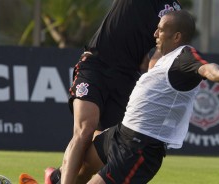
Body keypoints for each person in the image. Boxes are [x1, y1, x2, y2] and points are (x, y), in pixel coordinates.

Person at [80, 10, 219, 184]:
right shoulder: (165, 58)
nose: (155, 33)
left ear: (176, 36)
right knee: (79, 167)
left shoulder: (185, 56)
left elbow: (206, 68)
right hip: (121, 133)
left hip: (140, 148)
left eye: (161, 30)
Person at [45, 1, 183, 184]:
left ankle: (57, 177)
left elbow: (154, 57)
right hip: (96, 64)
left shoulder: (175, 11)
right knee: (85, 129)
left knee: (96, 157)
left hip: (127, 78)